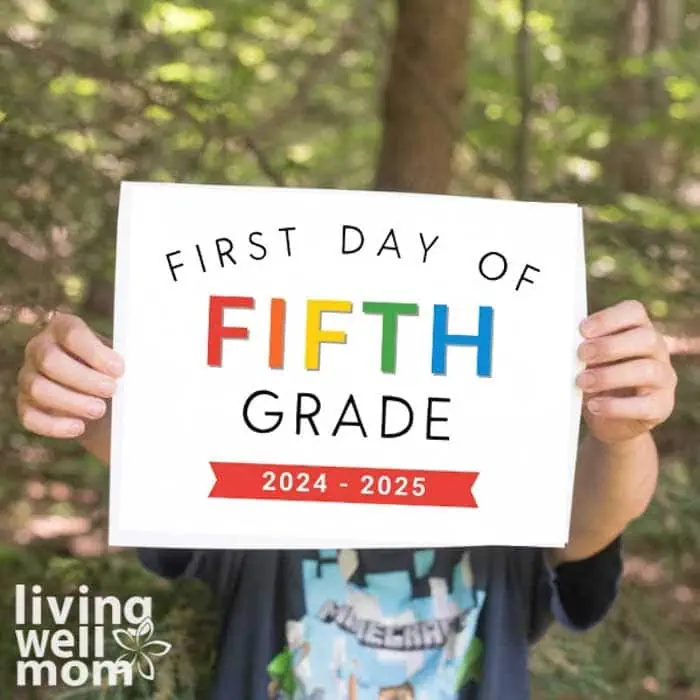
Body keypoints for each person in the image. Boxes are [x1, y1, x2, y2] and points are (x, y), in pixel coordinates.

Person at [16, 300, 677, 700]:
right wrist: (84, 396)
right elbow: (166, 459)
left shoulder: (508, 506)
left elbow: (597, 515)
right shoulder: (265, 505)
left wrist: (625, 433)